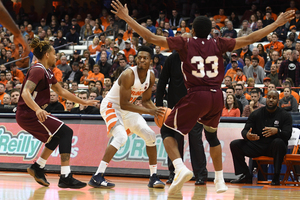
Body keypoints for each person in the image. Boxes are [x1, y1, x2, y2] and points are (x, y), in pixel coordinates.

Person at [111, 0, 295, 194]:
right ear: (211, 31)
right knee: (212, 136)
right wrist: (276, 23)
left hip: (197, 94)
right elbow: (250, 39)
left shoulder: (185, 42)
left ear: (191, 29)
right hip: (217, 96)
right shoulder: (219, 42)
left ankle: (180, 168)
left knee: (166, 131)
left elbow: (150, 37)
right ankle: (219, 179)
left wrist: (126, 17)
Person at [16, 37, 97, 188]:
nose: (56, 57)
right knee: (66, 132)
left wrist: (83, 101)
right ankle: (65, 176)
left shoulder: (47, 71)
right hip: (29, 112)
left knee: (57, 136)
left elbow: (61, 91)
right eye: (54, 54)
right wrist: (38, 109)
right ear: (47, 55)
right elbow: (26, 93)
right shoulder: (37, 69)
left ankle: (38, 167)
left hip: (31, 112)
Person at [88, 46, 166, 189]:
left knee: (150, 136)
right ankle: (97, 176)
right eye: (140, 57)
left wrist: (157, 110)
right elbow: (123, 104)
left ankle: (154, 177)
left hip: (128, 108)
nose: (142, 60)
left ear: (151, 61)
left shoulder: (151, 76)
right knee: (121, 137)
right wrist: (149, 112)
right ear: (136, 59)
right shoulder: (128, 74)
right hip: (112, 106)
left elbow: (146, 100)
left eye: (145, 58)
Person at [156, 34, 208, 186]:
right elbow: (162, 82)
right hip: (175, 108)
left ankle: (201, 175)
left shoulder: (198, 58)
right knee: (174, 142)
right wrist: (160, 105)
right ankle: (174, 173)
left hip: (195, 107)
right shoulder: (172, 59)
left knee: (195, 141)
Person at [230, 90, 292, 185]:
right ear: (266, 99)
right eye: (269, 97)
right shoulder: (256, 114)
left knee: (279, 142)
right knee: (235, 144)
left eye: (274, 98)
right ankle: (246, 175)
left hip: (274, 148)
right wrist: (247, 135)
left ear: (278, 101)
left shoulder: (285, 115)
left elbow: (287, 135)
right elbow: (244, 130)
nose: (271, 100)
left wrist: (277, 131)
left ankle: (276, 177)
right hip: (257, 145)